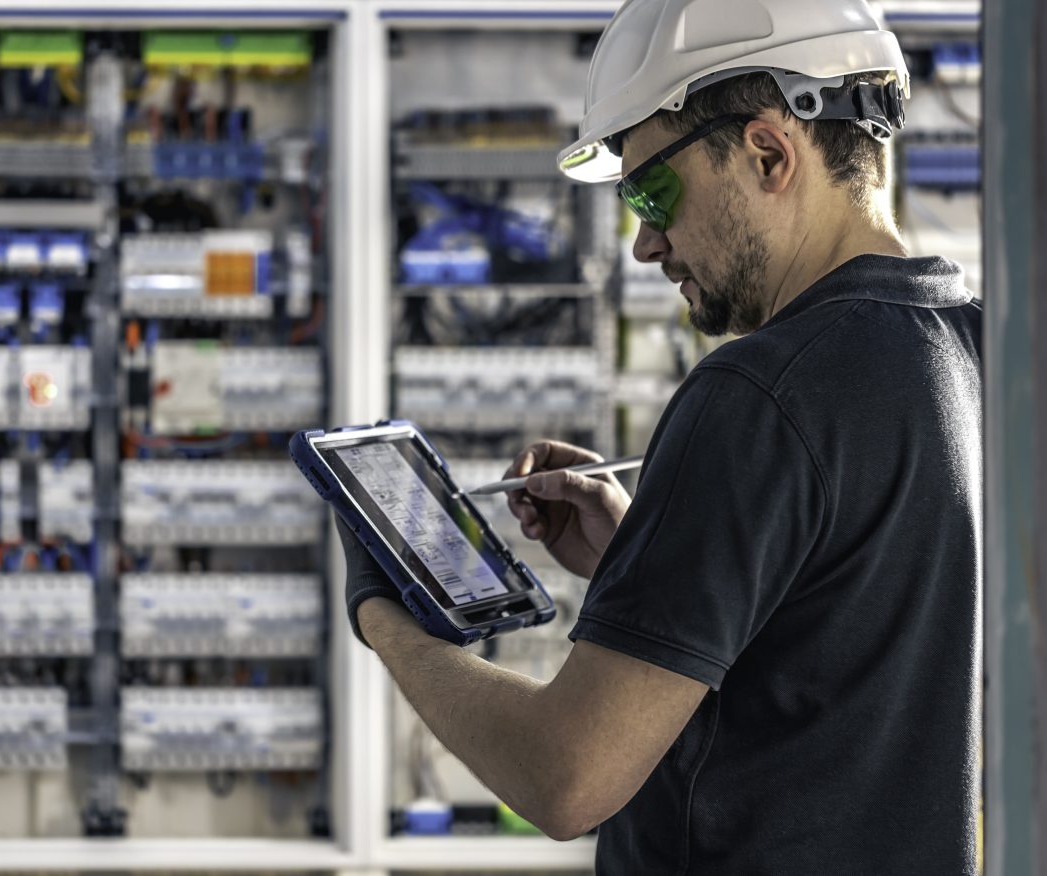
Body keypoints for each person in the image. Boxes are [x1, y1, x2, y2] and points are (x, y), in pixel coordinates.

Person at [343, 0, 984, 872]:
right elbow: (847, 649)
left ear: (767, 152)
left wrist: (390, 620)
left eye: (652, 192)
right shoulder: (977, 348)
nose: (645, 244)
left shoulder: (757, 393)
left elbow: (564, 777)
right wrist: (641, 562)